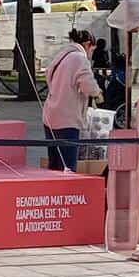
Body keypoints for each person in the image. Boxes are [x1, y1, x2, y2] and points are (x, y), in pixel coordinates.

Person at [41, 29, 101, 171]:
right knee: (67, 167)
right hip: (67, 119)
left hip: (50, 115)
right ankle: (66, 192)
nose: (91, 54)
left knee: (54, 165)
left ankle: (52, 192)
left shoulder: (62, 55)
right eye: (92, 50)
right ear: (87, 44)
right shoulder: (79, 58)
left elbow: (48, 74)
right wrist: (98, 93)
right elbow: (88, 84)